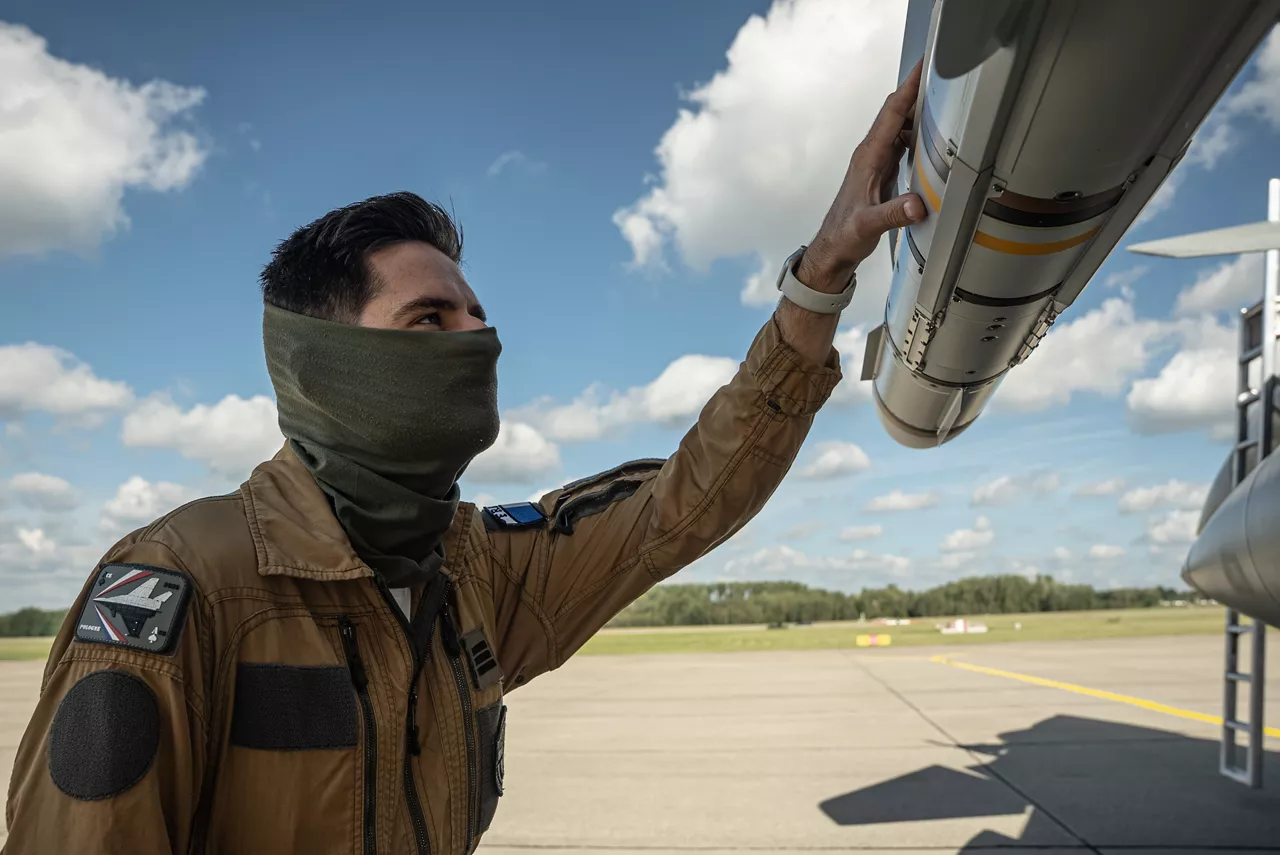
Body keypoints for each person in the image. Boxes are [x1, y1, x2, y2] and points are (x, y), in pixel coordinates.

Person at [3, 63, 926, 855]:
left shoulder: (478, 567)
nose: (476, 340)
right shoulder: (182, 585)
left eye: (477, 316)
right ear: (327, 363)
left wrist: (823, 277)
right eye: (429, 320)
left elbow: (685, 501)